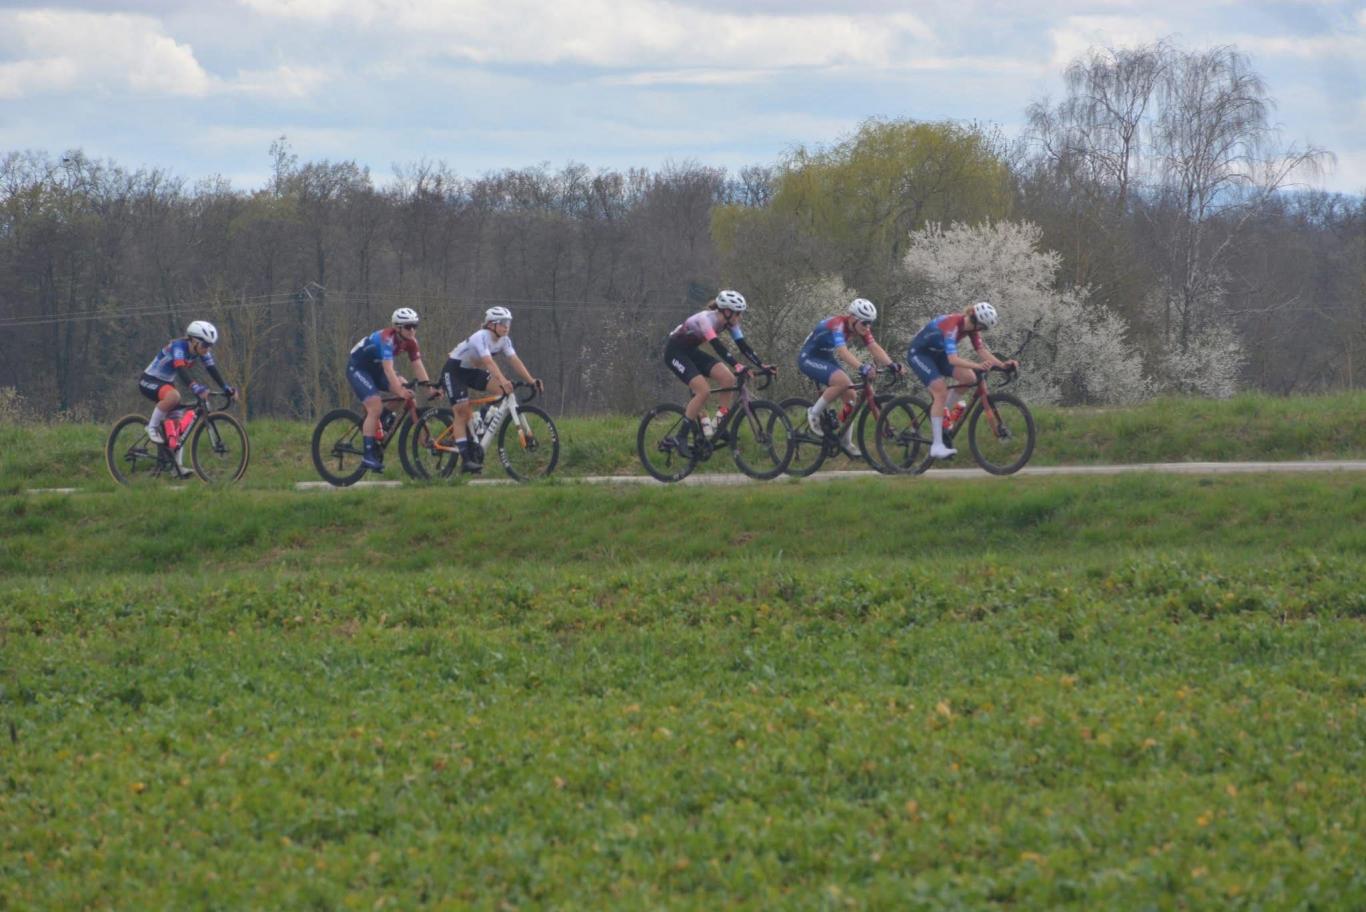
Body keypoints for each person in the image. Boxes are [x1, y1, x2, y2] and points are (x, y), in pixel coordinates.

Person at [662, 289, 775, 455]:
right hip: (675, 352)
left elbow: (743, 347)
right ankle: (681, 436)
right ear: (727, 312)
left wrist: (762, 365)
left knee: (728, 379)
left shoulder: (730, 322)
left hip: (691, 351)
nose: (740, 317)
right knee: (703, 391)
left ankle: (718, 426)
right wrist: (737, 365)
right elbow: (717, 346)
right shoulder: (705, 319)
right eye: (738, 313)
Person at [906, 301, 1019, 459]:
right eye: (982, 327)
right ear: (974, 319)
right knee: (940, 391)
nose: (981, 330)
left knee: (969, 377)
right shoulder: (952, 325)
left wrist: (1002, 365)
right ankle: (937, 446)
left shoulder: (971, 328)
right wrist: (977, 365)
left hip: (938, 354)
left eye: (984, 328)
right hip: (920, 354)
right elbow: (953, 359)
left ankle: (943, 414)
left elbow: (981, 350)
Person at [439, 306, 542, 473]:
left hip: (471, 371)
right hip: (454, 370)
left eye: (508, 322)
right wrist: (503, 379)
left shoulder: (504, 340)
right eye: (502, 323)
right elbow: (488, 363)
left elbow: (515, 360)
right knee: (462, 412)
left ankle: (481, 420)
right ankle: (466, 461)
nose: (506, 326)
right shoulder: (481, 337)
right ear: (491, 325)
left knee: (503, 391)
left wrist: (531, 381)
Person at [796, 298, 903, 452]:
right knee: (842, 382)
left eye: (870, 323)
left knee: (851, 395)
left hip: (825, 357)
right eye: (865, 323)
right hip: (809, 358)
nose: (868, 327)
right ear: (853, 318)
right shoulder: (837, 325)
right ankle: (813, 413)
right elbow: (842, 352)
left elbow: (873, 347)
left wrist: (891, 364)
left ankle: (845, 443)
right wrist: (862, 367)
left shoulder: (860, 326)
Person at [139, 320, 236, 476]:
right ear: (194, 341)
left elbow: (212, 369)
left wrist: (226, 388)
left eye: (210, 346)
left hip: (166, 383)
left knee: (177, 427)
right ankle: (151, 427)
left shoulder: (200, 351)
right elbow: (181, 368)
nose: (207, 349)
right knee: (174, 396)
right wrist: (196, 387)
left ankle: (176, 468)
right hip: (149, 380)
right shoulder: (179, 346)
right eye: (205, 345)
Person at [347, 307, 435, 472]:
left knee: (408, 394)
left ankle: (385, 418)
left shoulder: (411, 341)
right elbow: (389, 370)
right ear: (398, 327)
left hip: (377, 369)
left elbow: (417, 365)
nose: (412, 330)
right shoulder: (386, 339)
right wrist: (400, 390)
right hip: (359, 369)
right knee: (375, 406)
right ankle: (368, 455)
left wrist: (429, 388)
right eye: (408, 327)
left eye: (415, 326)